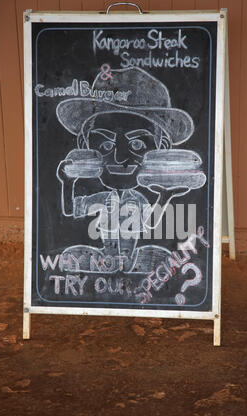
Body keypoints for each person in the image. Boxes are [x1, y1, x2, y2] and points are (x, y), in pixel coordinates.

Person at [56, 67, 204, 274]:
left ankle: (129, 263)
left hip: (133, 256)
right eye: (106, 145)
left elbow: (150, 223)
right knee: (70, 258)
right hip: (104, 257)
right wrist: (67, 182)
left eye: (137, 145)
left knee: (158, 259)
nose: (120, 157)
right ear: (84, 144)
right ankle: (109, 264)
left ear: (161, 149)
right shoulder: (103, 198)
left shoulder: (138, 199)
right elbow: (71, 210)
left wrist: (165, 195)